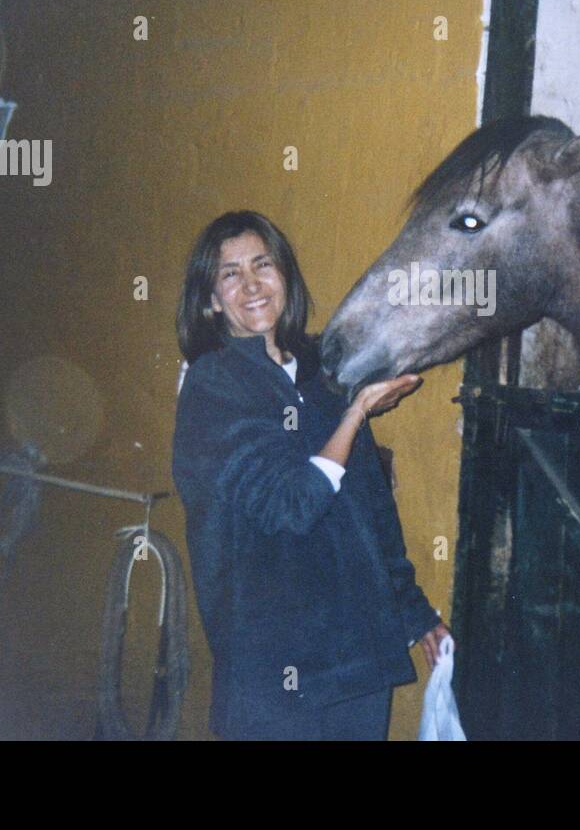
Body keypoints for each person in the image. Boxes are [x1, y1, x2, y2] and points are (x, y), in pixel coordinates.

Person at [172, 210, 452, 740]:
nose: (252, 284)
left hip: (358, 657)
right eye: (230, 274)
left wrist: (417, 616)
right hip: (274, 668)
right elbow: (290, 504)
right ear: (211, 299)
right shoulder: (214, 388)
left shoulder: (324, 373)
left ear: (285, 277)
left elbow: (372, 512)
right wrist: (355, 415)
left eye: (263, 264)